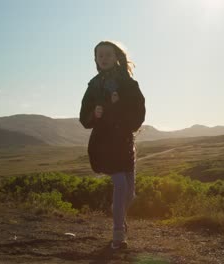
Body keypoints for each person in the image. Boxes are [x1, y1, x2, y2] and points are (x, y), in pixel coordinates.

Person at [79, 40, 146, 249]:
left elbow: (139, 112)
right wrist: (94, 114)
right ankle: (119, 235)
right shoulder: (93, 86)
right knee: (120, 184)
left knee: (129, 193)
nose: (104, 58)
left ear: (117, 56)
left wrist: (120, 105)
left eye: (108, 54)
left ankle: (118, 215)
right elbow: (83, 118)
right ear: (96, 59)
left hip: (125, 144)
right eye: (100, 55)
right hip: (103, 144)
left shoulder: (129, 84)